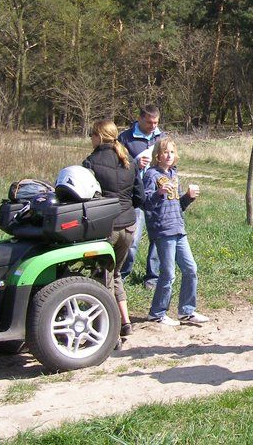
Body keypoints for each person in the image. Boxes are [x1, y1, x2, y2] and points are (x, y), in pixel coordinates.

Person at [82, 120, 144, 339]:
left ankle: (111, 330)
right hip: (128, 227)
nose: (91, 138)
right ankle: (125, 321)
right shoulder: (128, 160)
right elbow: (140, 197)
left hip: (106, 228)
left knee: (103, 276)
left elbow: (84, 196)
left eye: (92, 135)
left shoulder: (90, 162)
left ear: (99, 136)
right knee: (115, 273)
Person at [144, 137, 208, 326]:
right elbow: (146, 203)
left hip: (179, 228)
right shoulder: (151, 175)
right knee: (168, 274)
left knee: (190, 269)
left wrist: (188, 197)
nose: (169, 155)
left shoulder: (173, 174)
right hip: (163, 230)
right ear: (158, 155)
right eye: (165, 152)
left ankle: (186, 311)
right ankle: (157, 313)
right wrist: (159, 192)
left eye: (172, 152)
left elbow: (179, 205)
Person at [118, 104, 165, 289]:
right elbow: (118, 166)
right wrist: (135, 163)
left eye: (156, 122)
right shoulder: (125, 138)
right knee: (132, 240)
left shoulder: (162, 137)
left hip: (157, 194)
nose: (153, 126)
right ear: (140, 119)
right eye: (149, 122)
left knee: (158, 238)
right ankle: (121, 275)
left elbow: (171, 162)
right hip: (134, 195)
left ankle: (152, 277)